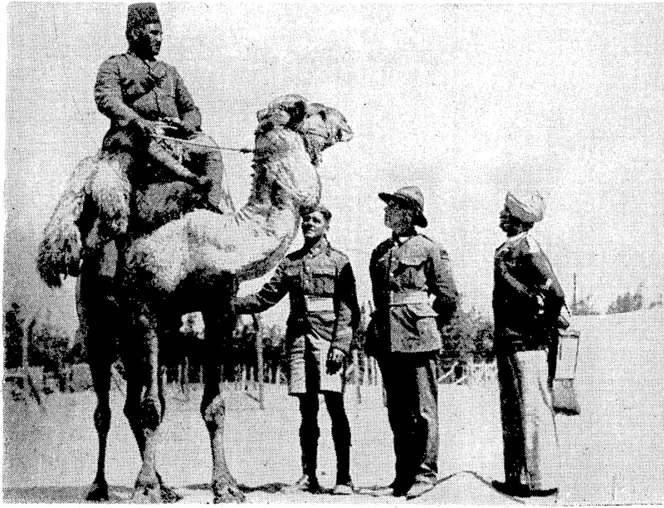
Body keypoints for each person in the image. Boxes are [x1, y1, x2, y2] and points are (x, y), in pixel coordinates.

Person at [233, 204, 360, 495]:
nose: (308, 224)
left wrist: (341, 345)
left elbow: (348, 309)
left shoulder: (339, 262)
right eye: (305, 220)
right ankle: (308, 476)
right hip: (299, 343)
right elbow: (265, 298)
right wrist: (230, 303)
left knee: (335, 408)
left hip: (328, 342)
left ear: (327, 226)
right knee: (307, 411)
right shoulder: (291, 262)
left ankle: (344, 478)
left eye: (315, 220)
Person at [366, 186, 458, 499]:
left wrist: (428, 325)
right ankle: (403, 474)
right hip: (388, 339)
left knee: (424, 410)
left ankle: (425, 474)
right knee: (397, 410)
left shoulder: (430, 248)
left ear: (408, 213)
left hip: (419, 337)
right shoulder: (379, 252)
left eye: (391, 207)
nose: (385, 211)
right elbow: (380, 298)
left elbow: (447, 297)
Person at [94, 2, 226, 211]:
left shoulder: (169, 72)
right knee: (139, 148)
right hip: (132, 135)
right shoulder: (114, 66)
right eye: (154, 33)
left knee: (209, 147)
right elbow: (107, 99)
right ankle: (189, 178)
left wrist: (188, 124)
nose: (159, 39)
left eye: (161, 33)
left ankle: (210, 205)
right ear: (136, 33)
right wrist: (135, 120)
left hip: (173, 137)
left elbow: (191, 109)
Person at [491, 191, 564, 498]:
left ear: (517, 218)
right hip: (511, 341)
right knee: (514, 411)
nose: (501, 215)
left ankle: (540, 481)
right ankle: (518, 479)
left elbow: (555, 294)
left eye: (506, 211)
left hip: (528, 343)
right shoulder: (508, 247)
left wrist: (539, 324)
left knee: (531, 411)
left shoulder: (527, 247)